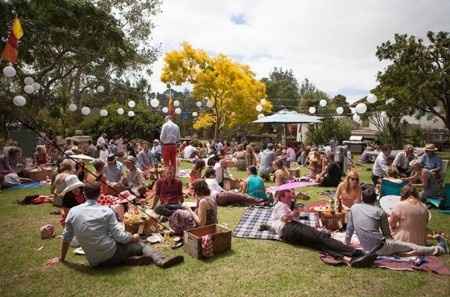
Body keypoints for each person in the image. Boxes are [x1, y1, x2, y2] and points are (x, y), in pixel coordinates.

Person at [50, 183, 183, 268]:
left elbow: (66, 237)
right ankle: (160, 260)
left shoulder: (73, 211)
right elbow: (120, 237)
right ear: (100, 193)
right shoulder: (106, 210)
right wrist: (133, 237)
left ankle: (130, 261)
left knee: (120, 246)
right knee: (141, 244)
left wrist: (61, 258)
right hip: (109, 253)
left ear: (85, 194)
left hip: (93, 260)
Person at [265, 193, 376, 267]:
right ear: (281, 198)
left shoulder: (284, 206)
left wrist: (295, 213)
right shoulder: (280, 205)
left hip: (288, 233)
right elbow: (285, 218)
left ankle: (351, 259)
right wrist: (293, 213)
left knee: (318, 244)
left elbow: (289, 217)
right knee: (321, 237)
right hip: (289, 229)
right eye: (288, 196)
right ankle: (356, 253)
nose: (291, 198)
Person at [346, 187, 447, 256]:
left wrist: (347, 243)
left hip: (366, 247)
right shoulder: (380, 211)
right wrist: (394, 243)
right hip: (379, 248)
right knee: (412, 246)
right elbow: (387, 234)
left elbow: (349, 229)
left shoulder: (354, 208)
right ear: (374, 199)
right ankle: (439, 249)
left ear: (363, 198)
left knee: (402, 245)